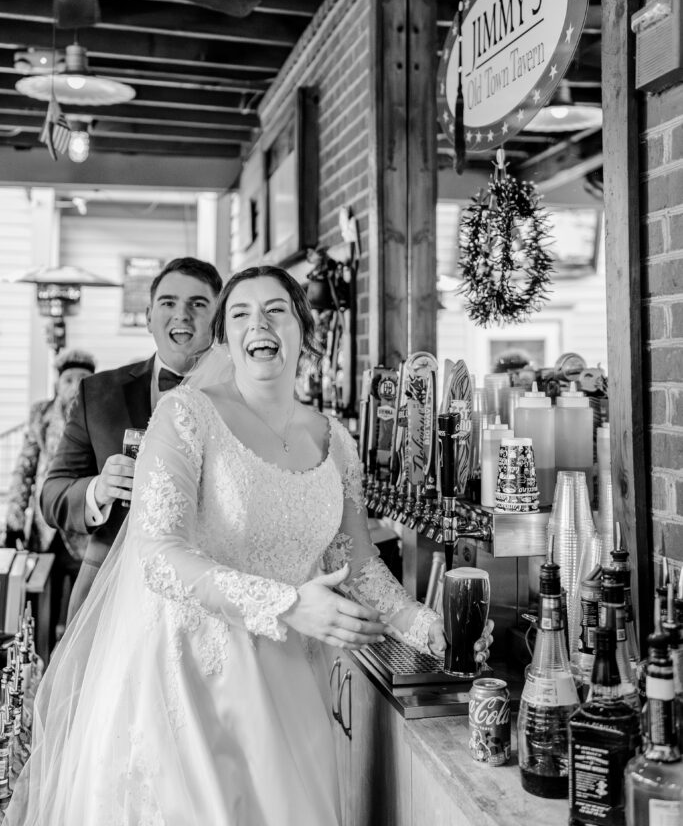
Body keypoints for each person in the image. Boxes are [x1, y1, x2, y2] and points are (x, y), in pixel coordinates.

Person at [6, 265, 491, 826]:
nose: (258, 323)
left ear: (304, 332)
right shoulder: (185, 417)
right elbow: (158, 556)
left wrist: (425, 626)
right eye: (240, 313)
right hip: (194, 680)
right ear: (226, 339)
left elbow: (360, 567)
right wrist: (287, 604)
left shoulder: (335, 440)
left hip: (292, 680)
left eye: (275, 310)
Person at [40, 256, 222, 619]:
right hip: (109, 591)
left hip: (211, 596)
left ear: (219, 320)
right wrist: (99, 490)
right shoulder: (98, 393)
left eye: (198, 304)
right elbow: (52, 496)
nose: (181, 315)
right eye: (168, 302)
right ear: (148, 317)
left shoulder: (244, 396)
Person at [4, 348, 96, 648]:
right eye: (68, 379)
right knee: (40, 602)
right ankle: (39, 665)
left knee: (82, 605)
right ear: (57, 383)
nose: (74, 386)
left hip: (82, 528)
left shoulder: (97, 413)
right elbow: (24, 469)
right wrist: (14, 521)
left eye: (82, 379)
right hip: (45, 529)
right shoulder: (42, 415)